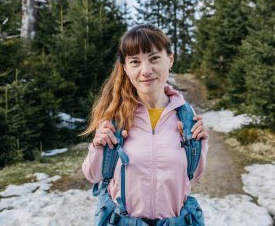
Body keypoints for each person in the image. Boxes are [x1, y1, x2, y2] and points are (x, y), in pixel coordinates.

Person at [81, 24, 209, 225]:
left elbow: (193, 176)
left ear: (170, 60)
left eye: (154, 58)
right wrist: (98, 147)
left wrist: (200, 145)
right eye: (135, 62)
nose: (146, 70)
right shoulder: (115, 117)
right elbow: (93, 175)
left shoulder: (186, 115)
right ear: (125, 68)